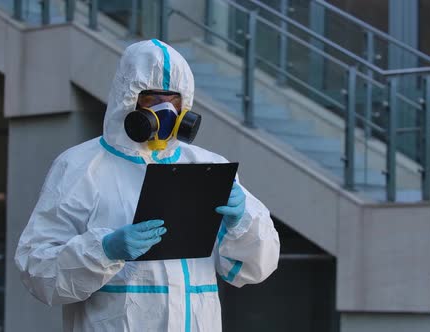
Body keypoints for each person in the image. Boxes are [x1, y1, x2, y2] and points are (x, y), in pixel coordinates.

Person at [15, 39, 280, 331]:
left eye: (174, 101)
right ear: (128, 99)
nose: (166, 111)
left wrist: (242, 223)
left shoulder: (208, 166)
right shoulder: (80, 167)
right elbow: (37, 271)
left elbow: (253, 269)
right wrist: (104, 250)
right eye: (152, 101)